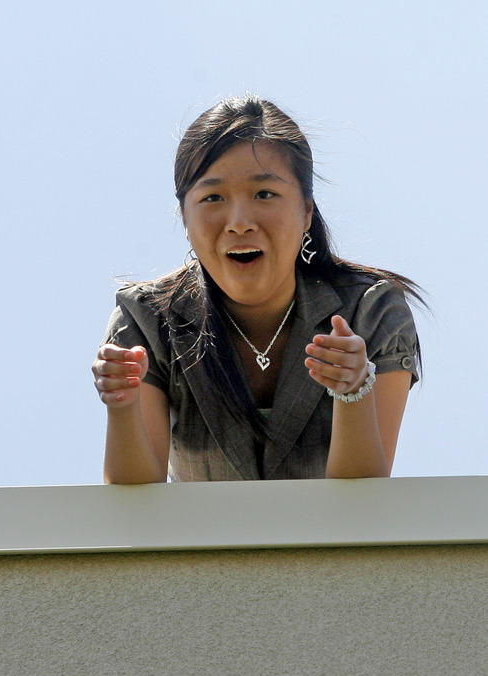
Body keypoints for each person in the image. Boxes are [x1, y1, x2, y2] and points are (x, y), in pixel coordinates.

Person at [92, 95, 423, 484]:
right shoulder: (146, 318)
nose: (239, 222)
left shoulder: (370, 309)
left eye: (264, 193)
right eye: (212, 197)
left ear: (305, 211)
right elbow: (134, 504)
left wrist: (354, 391)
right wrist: (122, 405)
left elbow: (364, 498)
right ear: (185, 218)